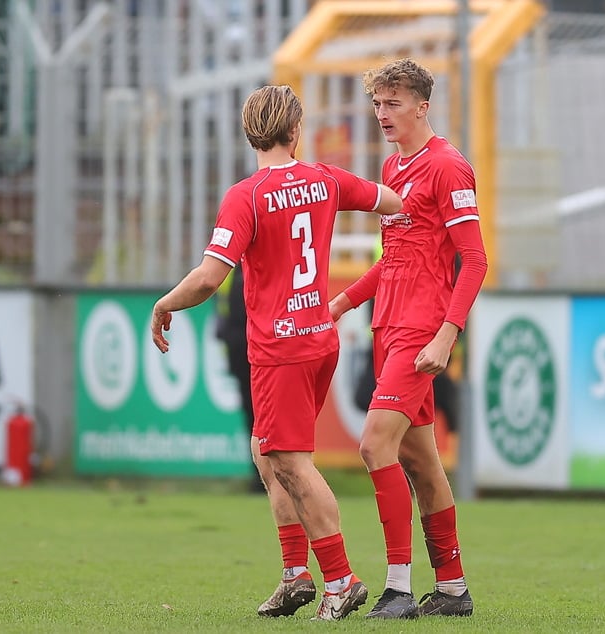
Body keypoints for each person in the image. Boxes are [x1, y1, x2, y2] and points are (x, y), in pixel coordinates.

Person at [150, 84, 403, 620]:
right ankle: (295, 575)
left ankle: (340, 580)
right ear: (295, 131)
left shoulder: (247, 195)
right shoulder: (326, 179)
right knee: (268, 454)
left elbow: (209, 277)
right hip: (318, 338)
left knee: (289, 460)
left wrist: (164, 304)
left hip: (280, 348)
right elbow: (392, 202)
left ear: (250, 134)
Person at [329, 58, 488, 619]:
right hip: (388, 326)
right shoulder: (393, 168)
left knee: (375, 445)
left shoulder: (448, 167)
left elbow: (475, 260)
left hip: (423, 328)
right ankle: (452, 590)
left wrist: (448, 335)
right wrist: (343, 303)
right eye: (377, 104)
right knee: (422, 462)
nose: (382, 114)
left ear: (423, 105)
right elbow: (395, 256)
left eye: (393, 104)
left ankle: (397, 589)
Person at [213, 262, 266, 494]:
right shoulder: (230, 266)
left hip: (264, 346)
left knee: (264, 414)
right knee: (251, 414)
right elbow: (222, 306)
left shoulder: (253, 262)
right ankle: (259, 476)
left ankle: (274, 473)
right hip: (239, 347)